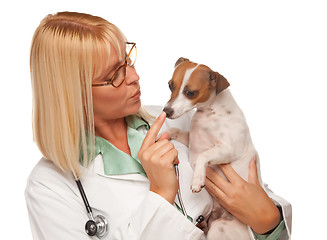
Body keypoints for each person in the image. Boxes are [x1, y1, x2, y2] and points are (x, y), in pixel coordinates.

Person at [25, 11, 291, 240]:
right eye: (114, 74)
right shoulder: (49, 187)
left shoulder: (183, 123)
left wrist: (269, 223)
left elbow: (253, 194)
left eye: (128, 61)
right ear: (73, 93)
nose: (135, 76)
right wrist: (160, 195)